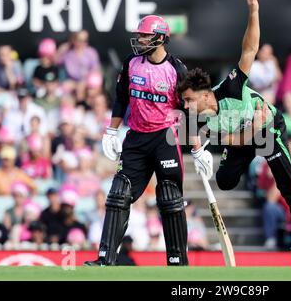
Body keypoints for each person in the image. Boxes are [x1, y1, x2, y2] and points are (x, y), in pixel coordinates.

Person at [178, 0, 291, 266]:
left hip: (268, 128)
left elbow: (249, 49)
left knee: (288, 185)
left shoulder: (231, 86)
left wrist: (253, 12)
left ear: (205, 94)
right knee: (225, 181)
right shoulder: (199, 117)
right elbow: (227, 138)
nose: (186, 106)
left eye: (188, 100)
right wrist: (198, 152)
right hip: (246, 137)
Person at [85, 14, 212, 266]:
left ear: (161, 38)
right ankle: (105, 260)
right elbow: (121, 98)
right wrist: (111, 131)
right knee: (119, 194)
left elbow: (189, 111)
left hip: (164, 138)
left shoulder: (177, 69)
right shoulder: (131, 63)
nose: (140, 39)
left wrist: (197, 149)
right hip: (136, 138)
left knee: (169, 198)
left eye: (145, 35)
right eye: (140, 35)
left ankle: (177, 262)